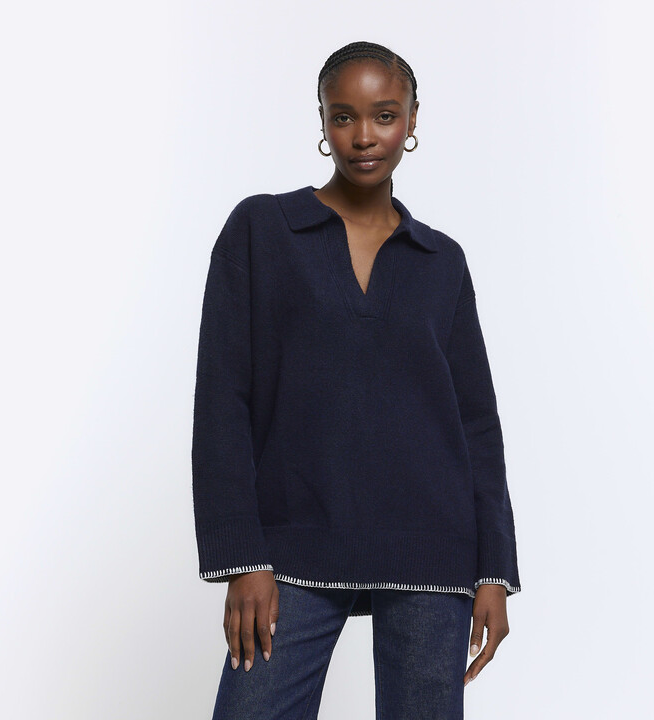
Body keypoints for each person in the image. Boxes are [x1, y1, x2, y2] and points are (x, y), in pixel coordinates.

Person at [191, 40, 521, 720]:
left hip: (432, 551)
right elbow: (222, 400)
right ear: (321, 120)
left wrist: (493, 569)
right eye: (343, 116)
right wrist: (242, 557)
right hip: (293, 542)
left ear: (412, 119)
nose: (364, 136)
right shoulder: (263, 229)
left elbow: (476, 424)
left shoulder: (441, 260)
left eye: (384, 115)